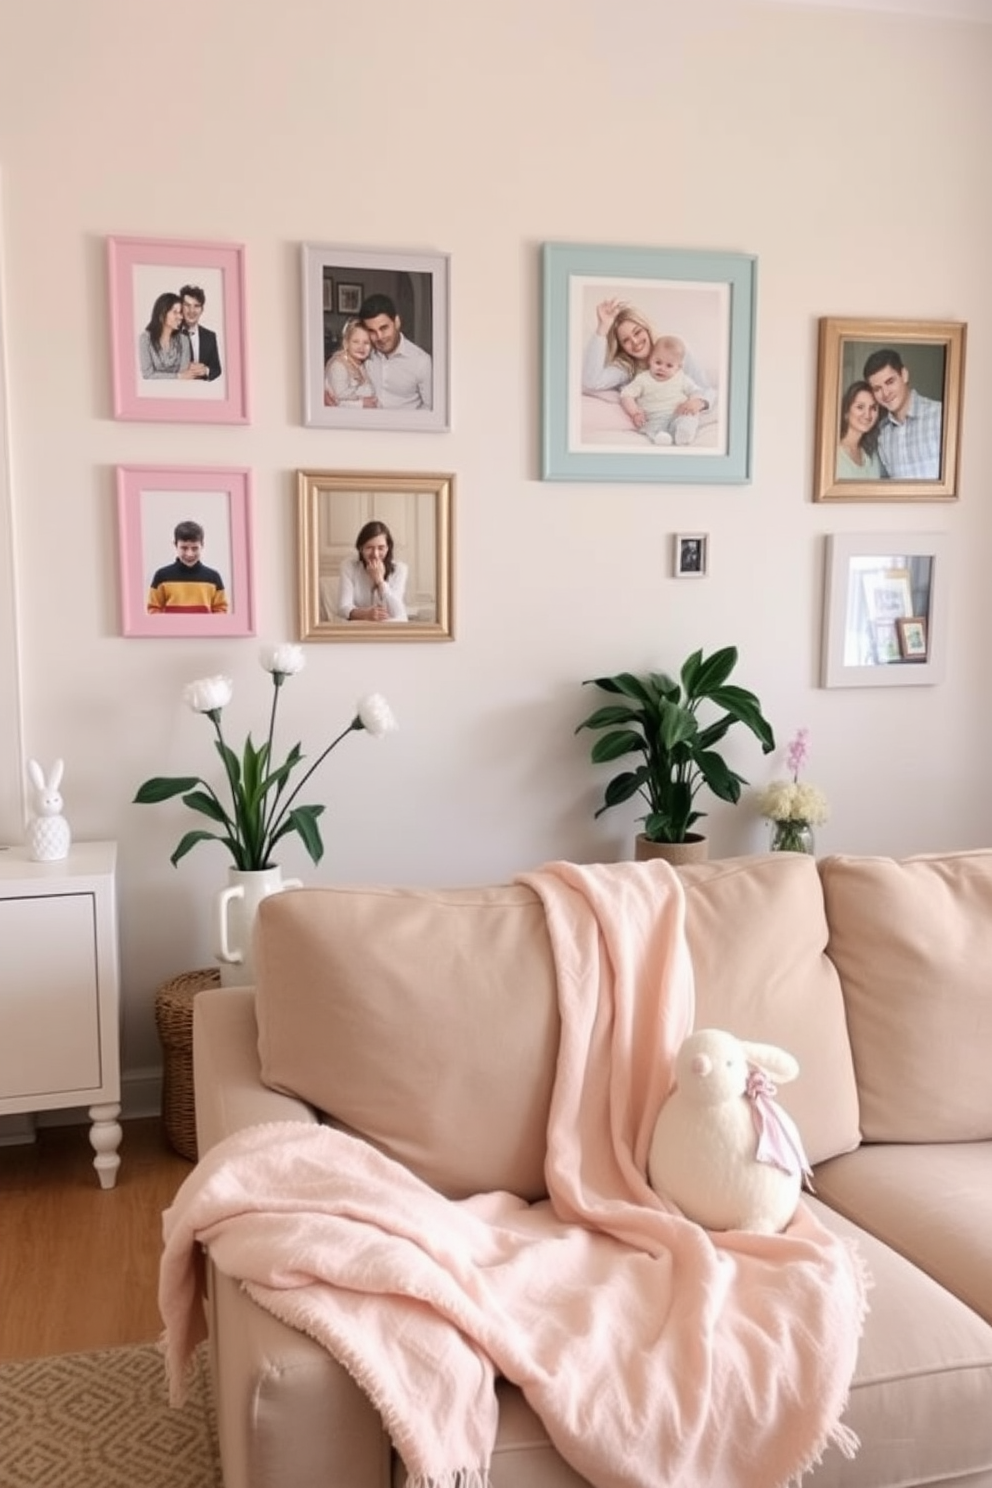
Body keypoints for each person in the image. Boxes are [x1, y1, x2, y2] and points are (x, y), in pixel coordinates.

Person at [581, 298, 716, 416]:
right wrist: (602, 328)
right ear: (622, 347)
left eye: (637, 332)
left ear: (647, 328)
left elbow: (705, 388)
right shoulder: (626, 368)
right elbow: (592, 381)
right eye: (626, 340)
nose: (634, 341)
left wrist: (699, 403)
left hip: (682, 415)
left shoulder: (674, 348)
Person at [863, 348, 942, 480]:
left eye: (890, 382)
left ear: (904, 375)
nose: (886, 393)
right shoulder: (882, 434)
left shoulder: (941, 416)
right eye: (877, 389)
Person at [619, 335, 708, 446]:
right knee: (652, 429)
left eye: (669, 365)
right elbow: (626, 395)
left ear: (678, 367)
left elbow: (695, 391)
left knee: (689, 417)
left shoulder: (681, 378)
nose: (662, 368)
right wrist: (635, 413)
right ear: (650, 360)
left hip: (678, 414)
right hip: (654, 418)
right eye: (658, 362)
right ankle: (661, 438)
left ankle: (684, 433)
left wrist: (694, 401)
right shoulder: (643, 379)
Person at [358, 292, 433, 410]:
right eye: (372, 331)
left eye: (384, 328)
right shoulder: (365, 352)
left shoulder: (422, 361)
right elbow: (341, 361)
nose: (379, 337)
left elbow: (430, 407)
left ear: (397, 322)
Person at [147, 520, 228, 614]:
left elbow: (221, 610)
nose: (189, 554)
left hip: (204, 629)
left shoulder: (214, 577)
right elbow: (153, 610)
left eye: (195, 548)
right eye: (184, 548)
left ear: (202, 545)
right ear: (175, 545)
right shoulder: (161, 576)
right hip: (171, 629)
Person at [337, 520, 408, 622]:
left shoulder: (400, 569)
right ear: (361, 548)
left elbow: (396, 612)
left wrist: (380, 581)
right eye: (369, 548)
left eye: (381, 548)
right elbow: (343, 608)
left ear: (388, 548)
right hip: (361, 629)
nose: (375, 554)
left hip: (392, 629)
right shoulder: (349, 566)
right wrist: (365, 614)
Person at [138, 293, 207, 380]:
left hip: (178, 389)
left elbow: (184, 373)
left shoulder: (184, 340)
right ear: (162, 314)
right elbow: (147, 375)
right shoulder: (145, 338)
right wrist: (178, 376)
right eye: (175, 312)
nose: (180, 317)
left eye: (180, 312)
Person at [323, 319, 378, 407]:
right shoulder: (338, 366)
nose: (361, 347)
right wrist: (362, 404)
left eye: (366, 343)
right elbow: (336, 400)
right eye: (356, 342)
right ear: (346, 343)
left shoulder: (363, 365)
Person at [836, 379, 883, 480]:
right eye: (860, 407)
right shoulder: (833, 453)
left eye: (873, 408)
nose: (867, 415)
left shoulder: (872, 455)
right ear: (846, 413)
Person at [179, 284, 222, 382]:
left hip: (203, 393)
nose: (192, 311)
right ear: (181, 308)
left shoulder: (210, 336)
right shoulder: (169, 334)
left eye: (196, 306)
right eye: (187, 305)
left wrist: (205, 370)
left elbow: (216, 369)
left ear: (202, 310)